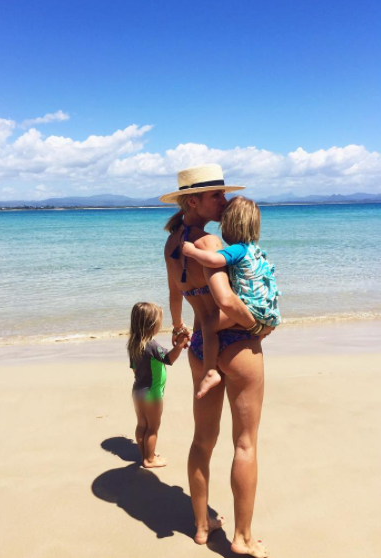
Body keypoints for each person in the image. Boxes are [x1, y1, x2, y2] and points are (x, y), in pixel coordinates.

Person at [160, 164, 273, 557]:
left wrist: (177, 326)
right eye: (216, 195)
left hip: (199, 349)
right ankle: (242, 538)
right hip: (236, 344)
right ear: (194, 201)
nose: (223, 202)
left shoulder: (173, 242)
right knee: (245, 444)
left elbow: (176, 293)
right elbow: (225, 303)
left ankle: (202, 526)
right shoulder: (209, 245)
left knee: (202, 441)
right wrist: (259, 323)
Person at [183, 196, 281, 399]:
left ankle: (210, 371)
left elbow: (213, 260)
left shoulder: (237, 249)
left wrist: (192, 251)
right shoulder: (257, 252)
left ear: (230, 224)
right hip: (267, 312)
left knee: (209, 324)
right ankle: (259, 332)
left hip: (248, 310)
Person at [127, 302, 189, 469]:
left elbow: (134, 369)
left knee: (142, 425)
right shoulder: (152, 345)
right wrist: (180, 345)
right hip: (152, 394)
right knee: (153, 428)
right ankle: (149, 460)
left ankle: (146, 454)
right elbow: (169, 359)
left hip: (137, 392)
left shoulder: (133, 344)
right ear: (151, 325)